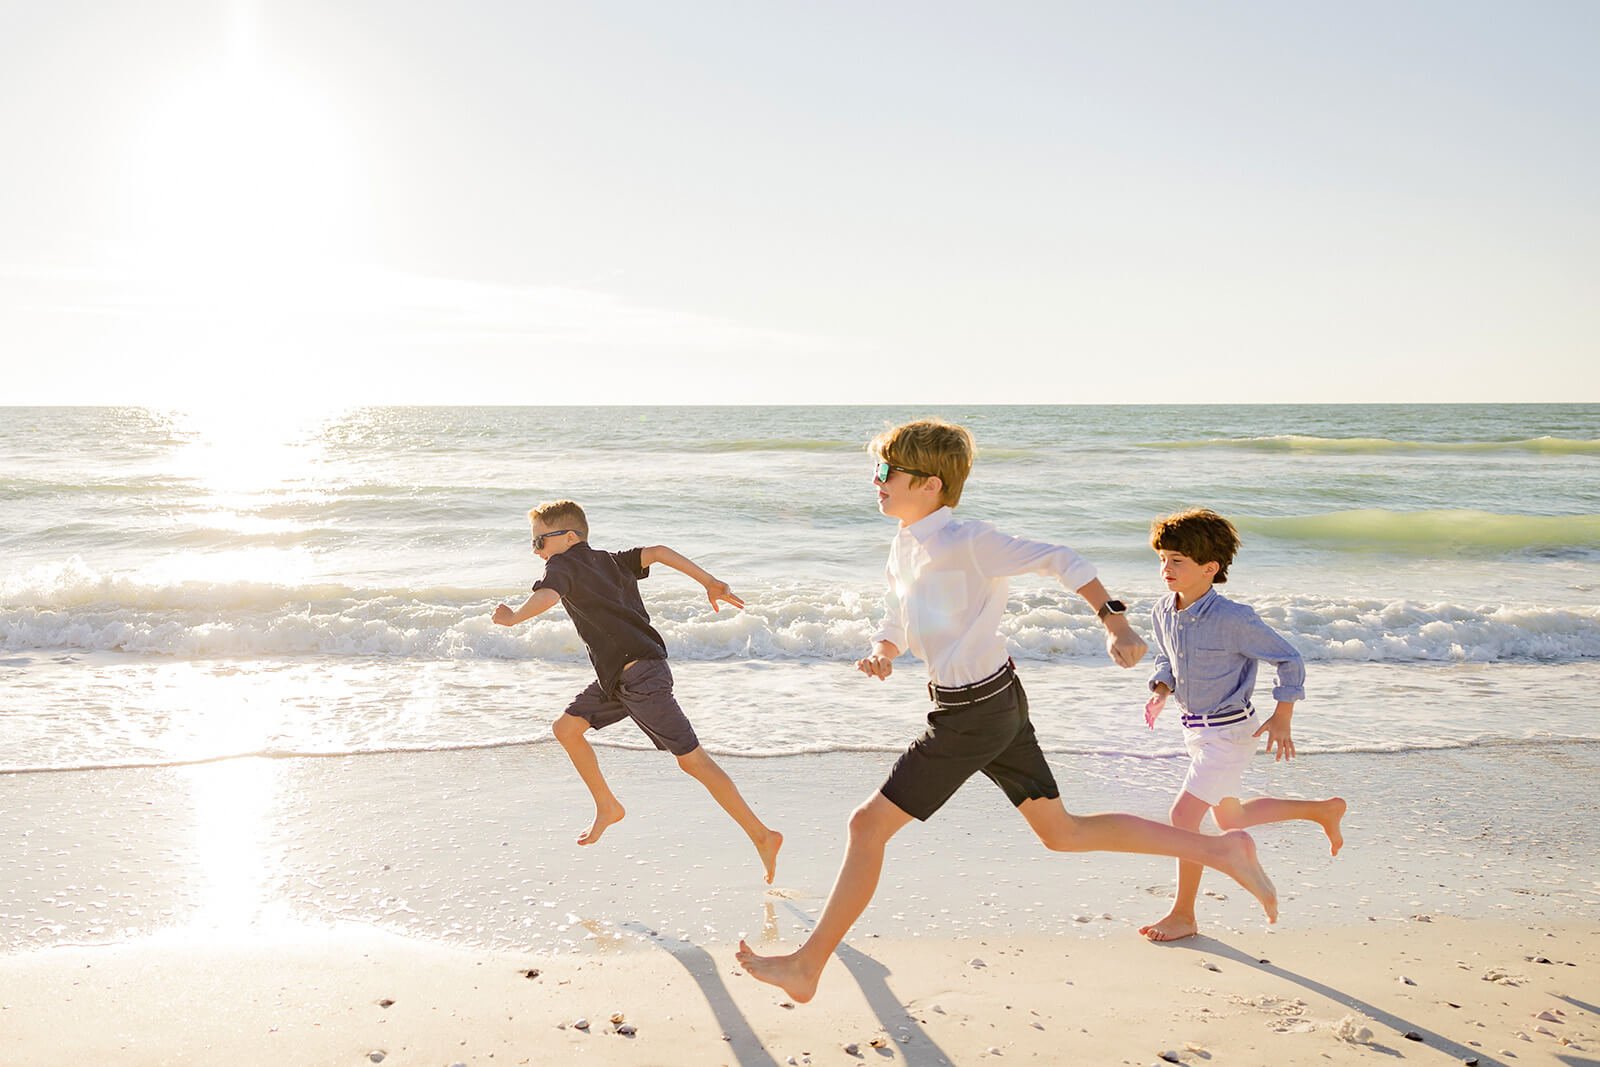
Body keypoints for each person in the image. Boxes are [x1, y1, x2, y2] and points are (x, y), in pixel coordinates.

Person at [736, 419, 1278, 1002]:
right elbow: (898, 615)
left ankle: (807, 967)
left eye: (889, 472)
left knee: (866, 826)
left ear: (931, 484)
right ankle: (1221, 849)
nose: (878, 481)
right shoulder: (904, 544)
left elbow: (1063, 560)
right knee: (1063, 833)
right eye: (880, 471)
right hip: (991, 701)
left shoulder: (970, 540)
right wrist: (883, 650)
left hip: (975, 714)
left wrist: (1115, 624)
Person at [493, 499, 783, 883]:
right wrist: (709, 581)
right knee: (566, 728)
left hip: (639, 679)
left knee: (692, 760)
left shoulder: (561, 565)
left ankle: (762, 834)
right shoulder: (612, 561)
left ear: (568, 537)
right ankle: (607, 806)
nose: (537, 552)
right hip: (622, 678)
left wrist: (512, 618)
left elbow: (548, 596)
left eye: (539, 543)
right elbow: (659, 552)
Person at [1137, 507, 1346, 942]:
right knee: (1232, 815)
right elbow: (1166, 657)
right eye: (1163, 558)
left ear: (1209, 569)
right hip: (1194, 730)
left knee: (1182, 818)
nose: (1166, 568)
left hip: (1231, 733)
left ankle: (1184, 915)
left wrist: (1283, 714)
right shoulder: (1163, 610)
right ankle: (1321, 810)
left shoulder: (1234, 618)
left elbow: (1289, 658)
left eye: (1178, 561)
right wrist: (1161, 689)